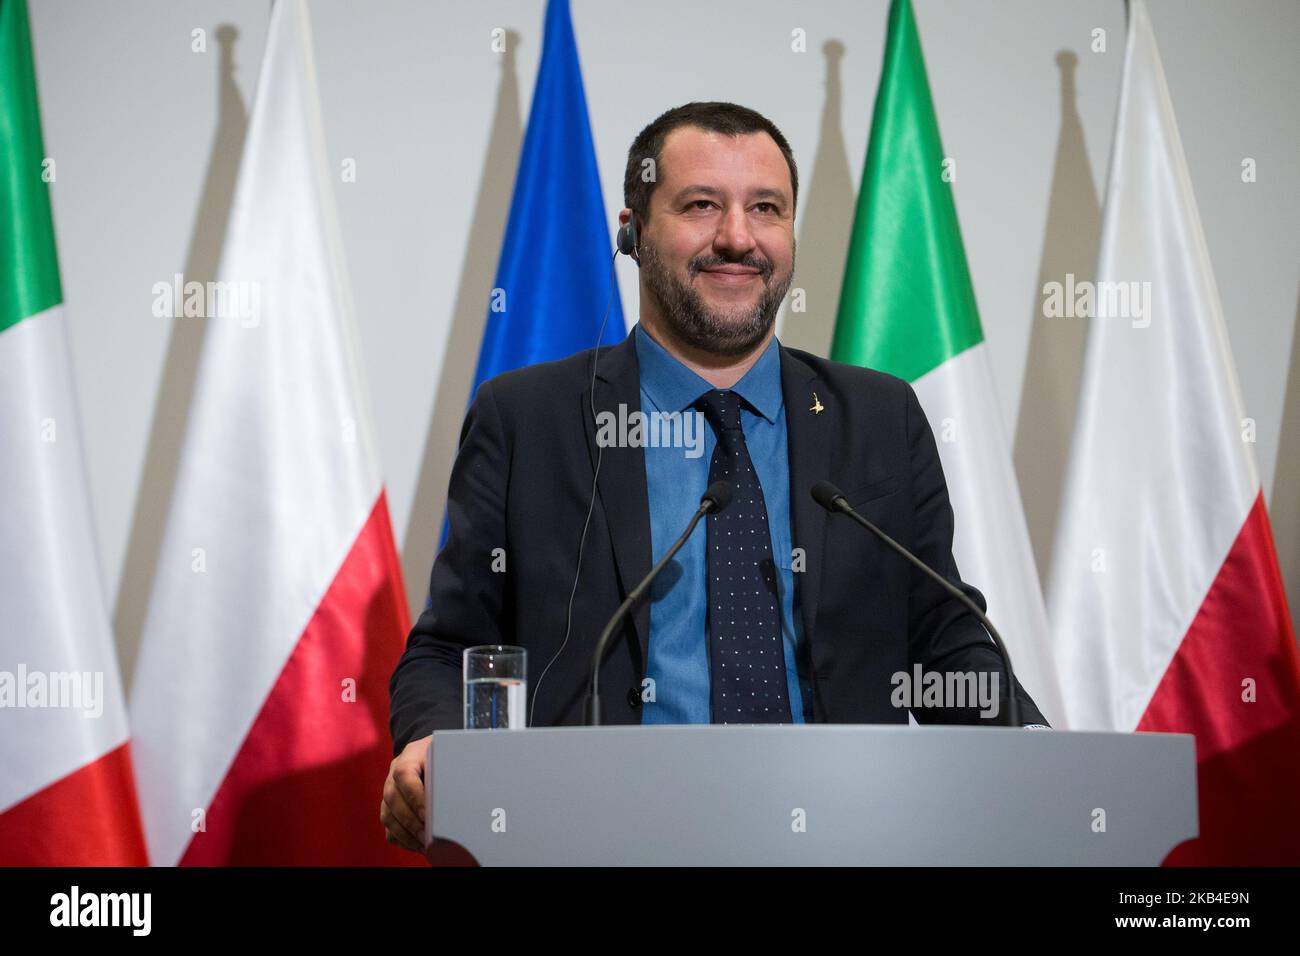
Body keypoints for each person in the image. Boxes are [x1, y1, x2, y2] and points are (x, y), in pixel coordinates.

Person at [380, 101, 1048, 853]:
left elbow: (946, 639)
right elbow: (447, 649)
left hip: (845, 841)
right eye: (701, 205)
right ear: (632, 230)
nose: (738, 237)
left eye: (766, 208)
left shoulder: (880, 418)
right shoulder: (527, 419)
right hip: (600, 844)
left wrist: (1040, 758)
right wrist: (434, 745)